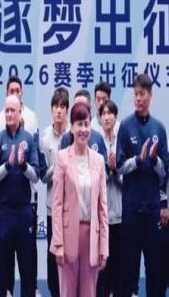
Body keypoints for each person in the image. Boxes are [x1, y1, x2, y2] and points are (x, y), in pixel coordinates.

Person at [116, 73, 168, 297]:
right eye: (135, 94)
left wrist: (154, 160)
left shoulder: (159, 129)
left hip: (153, 210)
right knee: (128, 270)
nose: (138, 98)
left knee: (155, 269)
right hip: (131, 209)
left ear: (150, 96)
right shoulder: (125, 126)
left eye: (142, 94)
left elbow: (164, 173)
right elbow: (119, 167)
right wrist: (138, 160)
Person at [50, 101, 109, 297]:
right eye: (79, 124)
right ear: (72, 127)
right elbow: (57, 204)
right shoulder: (62, 158)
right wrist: (58, 244)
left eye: (86, 124)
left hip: (92, 238)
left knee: (89, 293)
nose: (83, 129)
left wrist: (104, 247)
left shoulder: (99, 161)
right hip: (67, 239)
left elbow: (103, 208)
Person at [0, 75, 40, 296]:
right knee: (1, 271)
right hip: (3, 212)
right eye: (7, 110)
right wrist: (7, 165)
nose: (9, 114)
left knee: (27, 269)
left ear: (20, 112)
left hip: (23, 212)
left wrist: (22, 165)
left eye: (13, 110)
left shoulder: (28, 139)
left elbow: (36, 176)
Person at [40, 88, 69, 297]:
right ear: (51, 110)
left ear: (67, 111)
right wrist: (58, 163)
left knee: (70, 256)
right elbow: (43, 176)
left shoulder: (74, 135)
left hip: (72, 207)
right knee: (53, 256)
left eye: (62, 107)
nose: (59, 111)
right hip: (53, 208)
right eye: (55, 107)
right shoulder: (45, 138)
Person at [96, 100, 122, 297]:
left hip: (120, 214)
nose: (107, 117)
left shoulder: (122, 142)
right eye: (103, 114)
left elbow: (127, 179)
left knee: (118, 267)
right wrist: (108, 170)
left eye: (110, 113)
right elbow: (95, 180)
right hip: (100, 217)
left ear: (115, 117)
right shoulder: (96, 143)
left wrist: (116, 171)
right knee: (101, 270)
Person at [60, 90, 108, 165]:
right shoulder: (66, 139)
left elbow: (105, 167)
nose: (79, 109)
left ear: (89, 108)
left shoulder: (98, 138)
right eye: (76, 106)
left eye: (82, 105)